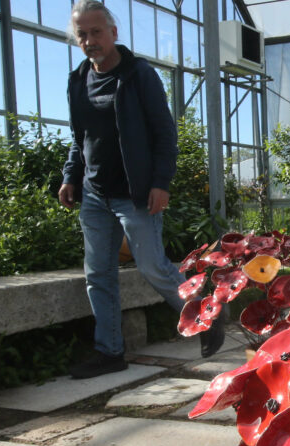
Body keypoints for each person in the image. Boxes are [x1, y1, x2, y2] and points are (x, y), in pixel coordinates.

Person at [60, 1, 224, 379]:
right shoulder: (78, 79)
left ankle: (206, 315)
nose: (89, 40)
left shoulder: (138, 75)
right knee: (98, 274)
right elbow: (79, 137)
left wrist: (160, 184)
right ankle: (110, 351)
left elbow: (164, 134)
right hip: (94, 193)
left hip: (135, 193)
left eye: (96, 32)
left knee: (153, 267)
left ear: (113, 32)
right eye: (82, 34)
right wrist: (71, 176)